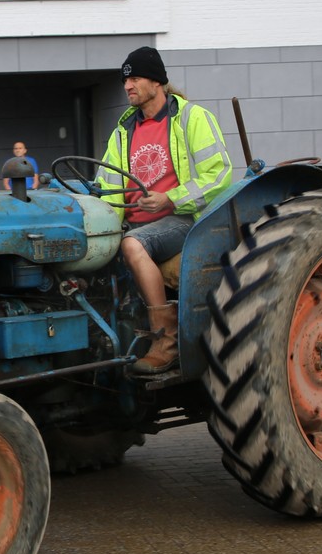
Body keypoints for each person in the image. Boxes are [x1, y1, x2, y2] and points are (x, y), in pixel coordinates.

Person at [98, 46, 233, 374]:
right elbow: (106, 186)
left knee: (133, 245)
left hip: (183, 219)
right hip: (136, 224)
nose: (128, 86)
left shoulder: (192, 118)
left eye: (135, 78)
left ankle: (166, 339)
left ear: (156, 81)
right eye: (125, 80)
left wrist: (171, 198)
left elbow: (218, 175)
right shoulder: (123, 132)